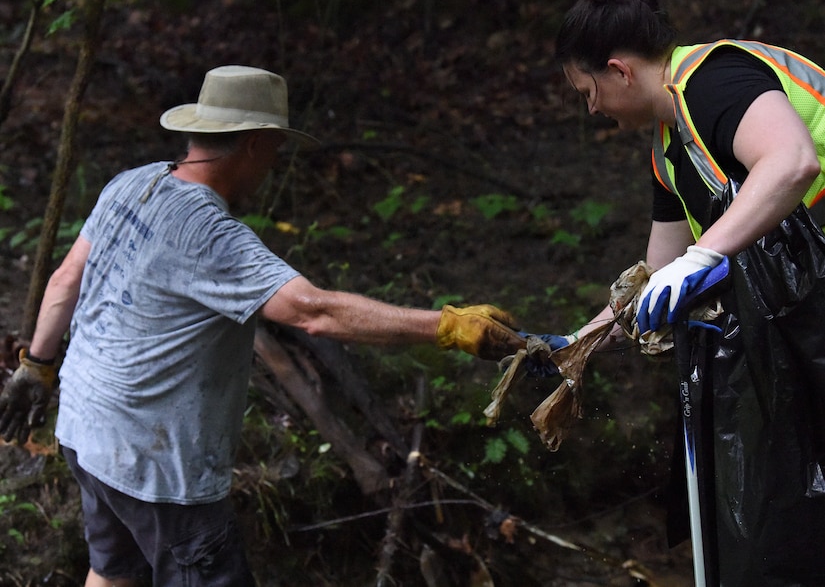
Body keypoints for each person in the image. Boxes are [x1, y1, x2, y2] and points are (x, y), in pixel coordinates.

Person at [0, 65, 526, 586]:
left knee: (114, 573)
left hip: (85, 431)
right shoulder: (210, 234)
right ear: (253, 143)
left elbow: (65, 278)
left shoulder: (131, 184)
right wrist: (451, 326)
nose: (274, 163)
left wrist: (38, 367)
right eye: (275, 149)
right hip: (157, 470)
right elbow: (313, 312)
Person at [552, 0, 825, 585]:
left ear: (620, 70)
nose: (592, 108)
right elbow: (660, 275)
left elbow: (793, 162)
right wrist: (576, 344)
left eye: (588, 90)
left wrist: (705, 257)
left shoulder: (714, 80)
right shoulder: (670, 149)